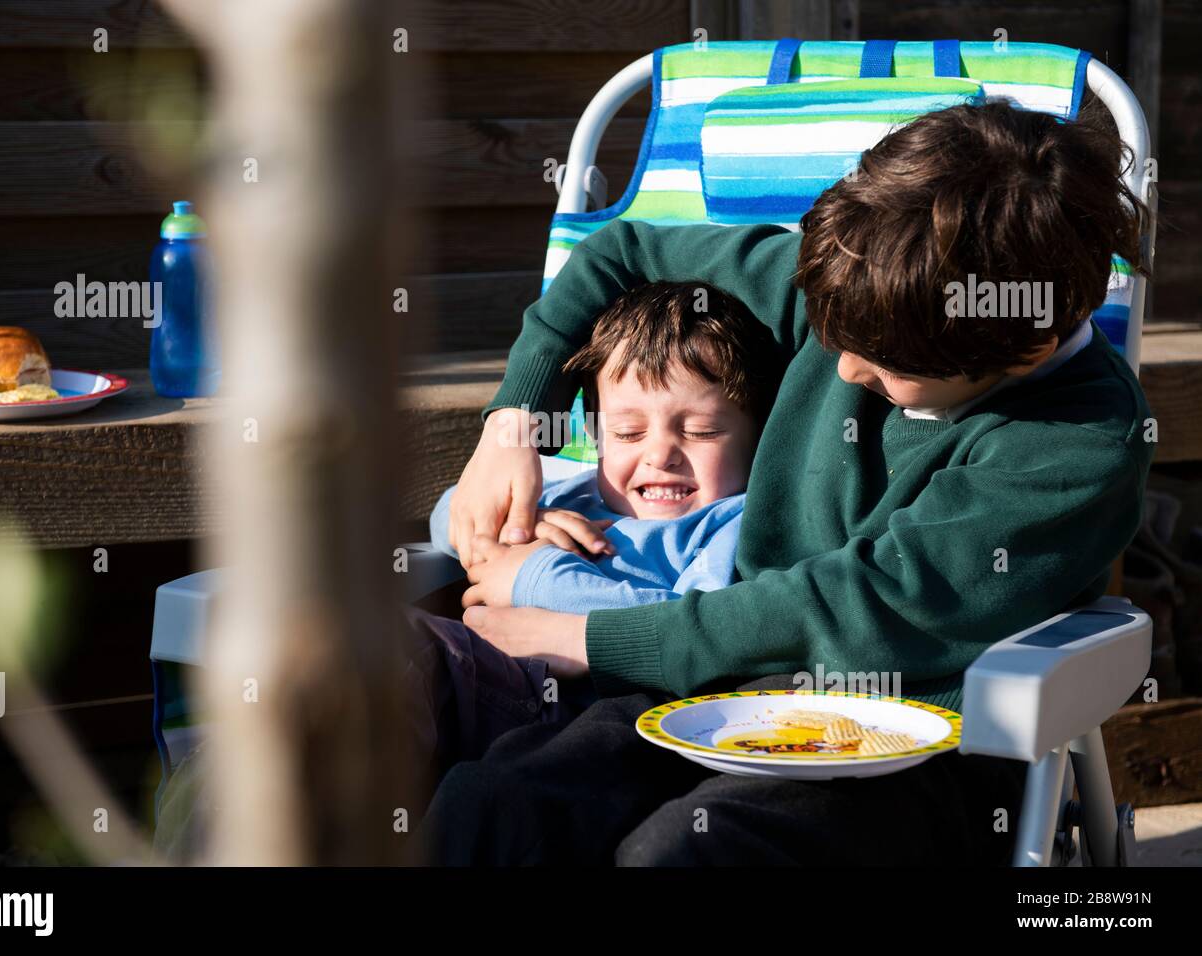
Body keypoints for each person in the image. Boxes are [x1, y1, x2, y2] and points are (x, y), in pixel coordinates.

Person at [424, 100, 1155, 865]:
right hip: (715, 690)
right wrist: (513, 425)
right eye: (835, 336)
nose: (840, 368)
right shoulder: (867, 290)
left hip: (912, 742)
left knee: (683, 853)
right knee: (496, 804)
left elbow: (863, 609)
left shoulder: (1077, 444)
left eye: (882, 367)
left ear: (1026, 343)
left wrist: (587, 635)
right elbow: (622, 251)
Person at [403, 279, 778, 799]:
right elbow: (450, 512)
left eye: (701, 431)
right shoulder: (569, 493)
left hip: (589, 715)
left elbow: (694, 625)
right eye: (627, 432)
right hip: (483, 676)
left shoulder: (731, 523)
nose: (660, 454)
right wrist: (522, 525)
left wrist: (533, 576)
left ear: (759, 434)